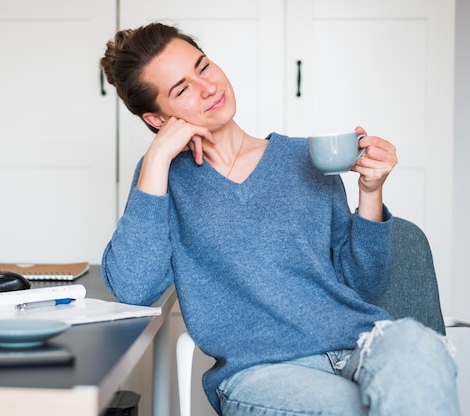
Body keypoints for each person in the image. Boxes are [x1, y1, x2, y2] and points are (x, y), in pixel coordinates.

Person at [100, 22, 460, 415]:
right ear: (157, 119)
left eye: (203, 67)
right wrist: (156, 158)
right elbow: (134, 288)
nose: (208, 88)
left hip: (362, 347)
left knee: (421, 347)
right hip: (265, 373)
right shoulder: (165, 179)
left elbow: (363, 286)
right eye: (181, 89)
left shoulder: (305, 159)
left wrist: (371, 193)